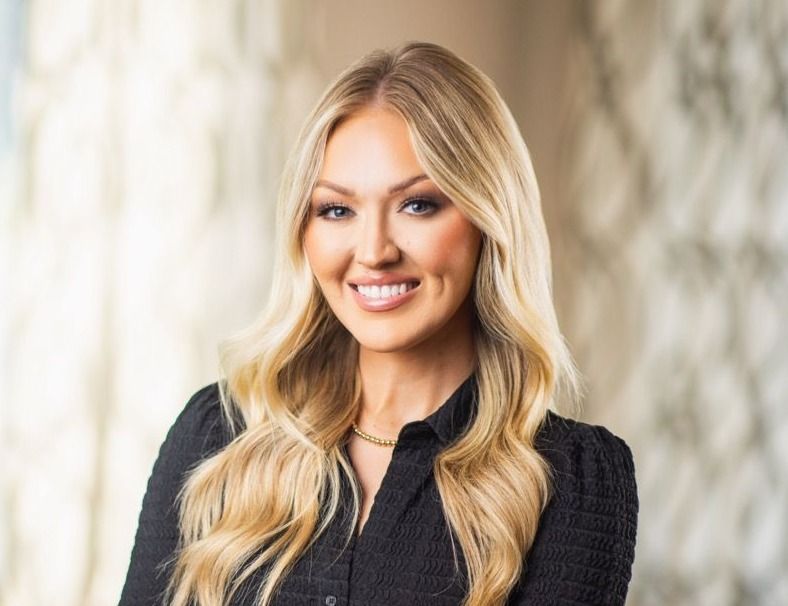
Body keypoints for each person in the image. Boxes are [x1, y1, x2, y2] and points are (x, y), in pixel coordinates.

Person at [119, 41, 638, 606]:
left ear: (489, 218)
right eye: (337, 210)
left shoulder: (573, 481)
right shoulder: (216, 438)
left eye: (417, 205)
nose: (373, 252)